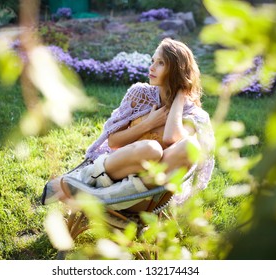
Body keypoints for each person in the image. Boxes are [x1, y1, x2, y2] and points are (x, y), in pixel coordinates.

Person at [42, 38, 215, 211]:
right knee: (151, 149)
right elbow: (113, 142)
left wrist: (180, 97)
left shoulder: (194, 116)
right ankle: (87, 181)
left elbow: (171, 138)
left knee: (190, 145)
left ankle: (101, 195)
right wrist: (148, 124)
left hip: (143, 196)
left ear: (177, 70)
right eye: (152, 61)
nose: (152, 68)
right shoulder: (140, 94)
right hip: (110, 176)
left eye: (161, 63)